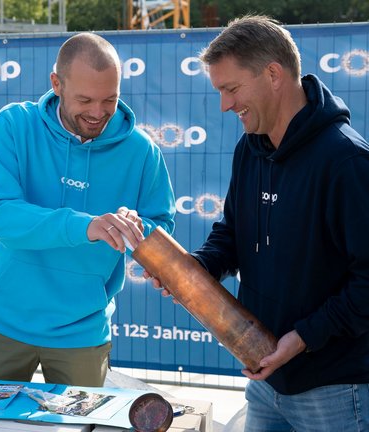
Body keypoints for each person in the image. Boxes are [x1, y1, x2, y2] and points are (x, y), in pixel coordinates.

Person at [151, 15, 369, 431]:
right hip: (265, 382)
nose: (224, 105)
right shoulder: (249, 149)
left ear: (273, 74)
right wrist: (196, 270)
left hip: (336, 391)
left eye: (231, 89)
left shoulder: (347, 162)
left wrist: (302, 337)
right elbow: (232, 234)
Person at [0, 32, 176, 387]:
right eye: (85, 99)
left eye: (110, 99)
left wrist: (136, 227)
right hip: (5, 321)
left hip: (83, 331)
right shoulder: (14, 126)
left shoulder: (142, 151)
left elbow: (161, 226)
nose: (98, 113)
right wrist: (86, 226)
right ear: (56, 84)